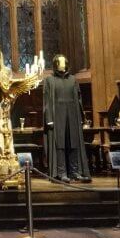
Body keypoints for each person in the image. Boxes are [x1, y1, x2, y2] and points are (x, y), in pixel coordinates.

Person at [43, 54, 92, 183]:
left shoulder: (73, 79)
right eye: (60, 62)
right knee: (60, 144)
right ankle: (61, 172)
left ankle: (74, 172)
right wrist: (49, 119)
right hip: (57, 115)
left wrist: (81, 117)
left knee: (73, 143)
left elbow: (79, 99)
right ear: (55, 64)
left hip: (72, 114)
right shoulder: (50, 80)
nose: (62, 64)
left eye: (64, 61)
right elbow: (47, 101)